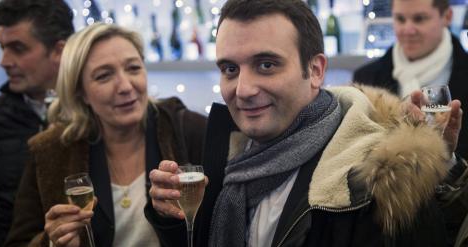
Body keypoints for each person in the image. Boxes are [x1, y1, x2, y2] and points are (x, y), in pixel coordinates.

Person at [146, 0, 467, 246]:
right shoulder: (222, 152)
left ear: (315, 71)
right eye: (230, 69)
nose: (243, 90)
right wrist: (175, 219)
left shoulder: (377, 180)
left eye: (266, 64)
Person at [4, 23, 206, 247]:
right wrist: (51, 242)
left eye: (133, 68)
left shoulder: (188, 130)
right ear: (81, 93)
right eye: (104, 76)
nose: (125, 86)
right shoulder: (50, 151)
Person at [0, 0, 74, 245]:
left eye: (18, 48)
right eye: (2, 47)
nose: (4, 61)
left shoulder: (99, 115)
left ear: (59, 50)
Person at [353, 0, 468, 159]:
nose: (408, 30)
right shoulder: (366, 78)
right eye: (400, 19)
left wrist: (450, 160)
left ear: (447, 16)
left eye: (419, 19)